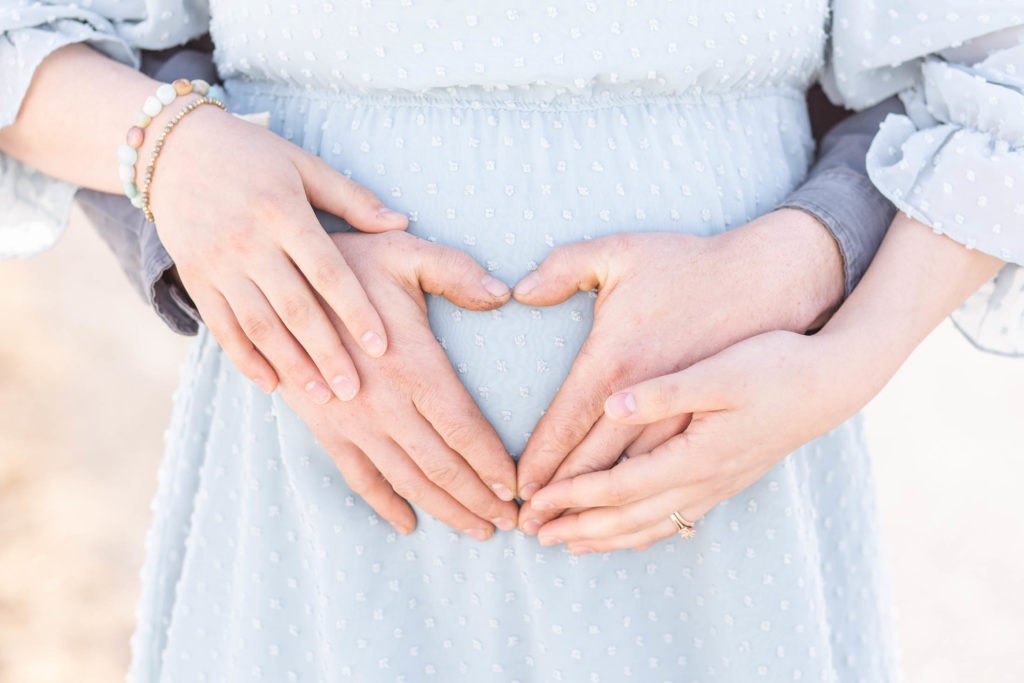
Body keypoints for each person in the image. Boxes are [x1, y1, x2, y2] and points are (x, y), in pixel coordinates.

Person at [1, 3, 1021, 682]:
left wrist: (834, 324)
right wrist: (179, 156)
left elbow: (992, 70)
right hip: (318, 511)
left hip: (721, 519)